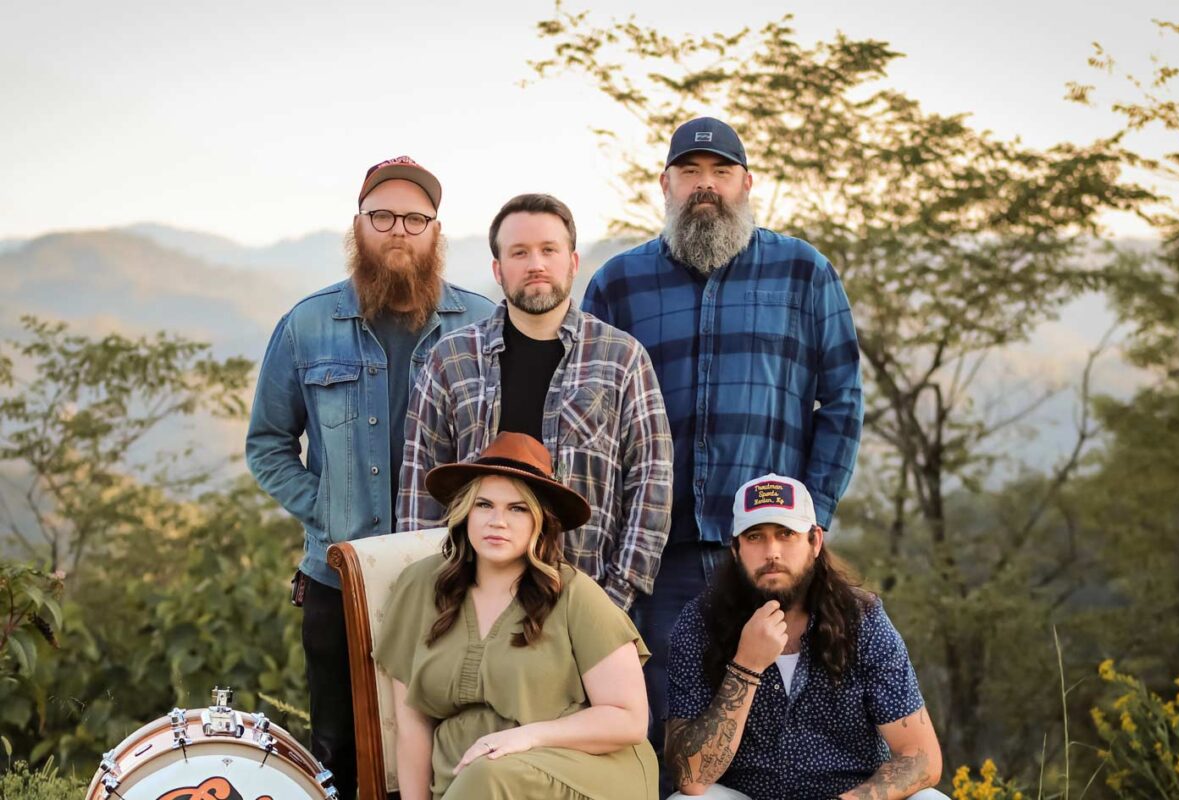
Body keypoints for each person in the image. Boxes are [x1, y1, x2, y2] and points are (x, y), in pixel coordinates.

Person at [583, 116, 865, 762]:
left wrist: (809, 519)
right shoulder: (618, 285)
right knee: (656, 734)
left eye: (720, 172)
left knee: (775, 731)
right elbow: (590, 422)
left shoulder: (804, 274)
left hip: (770, 553)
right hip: (655, 558)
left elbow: (843, 400)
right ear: (665, 184)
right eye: (690, 172)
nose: (704, 186)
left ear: (747, 183)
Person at [245, 155, 494, 798]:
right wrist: (327, 512)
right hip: (337, 578)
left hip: (455, 576)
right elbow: (268, 444)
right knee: (340, 750)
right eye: (381, 215)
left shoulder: (481, 325)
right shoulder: (307, 324)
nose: (398, 230)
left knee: (456, 745)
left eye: (415, 217)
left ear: (437, 231)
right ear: (358, 226)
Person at [396, 193, 673, 612]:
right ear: (498, 268)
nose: (535, 264)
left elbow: (652, 482)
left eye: (549, 250)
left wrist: (614, 599)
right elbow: (420, 485)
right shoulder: (450, 359)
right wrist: (435, 597)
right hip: (469, 602)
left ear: (573, 262)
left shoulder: (622, 359)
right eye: (519, 252)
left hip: (583, 598)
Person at [374, 432, 658, 799]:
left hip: (578, 770)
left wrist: (522, 738)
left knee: (488, 776)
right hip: (465, 779)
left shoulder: (575, 594)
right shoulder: (421, 587)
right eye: (484, 505)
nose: (498, 521)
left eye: (517, 508)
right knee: (483, 778)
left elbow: (629, 720)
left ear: (540, 521)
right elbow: (411, 723)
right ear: (465, 512)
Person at [664, 474, 944, 800]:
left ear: (815, 542)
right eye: (755, 537)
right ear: (736, 549)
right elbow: (691, 777)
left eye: (786, 534)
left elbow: (921, 757)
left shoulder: (862, 620)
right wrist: (745, 666)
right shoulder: (701, 622)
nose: (772, 552)